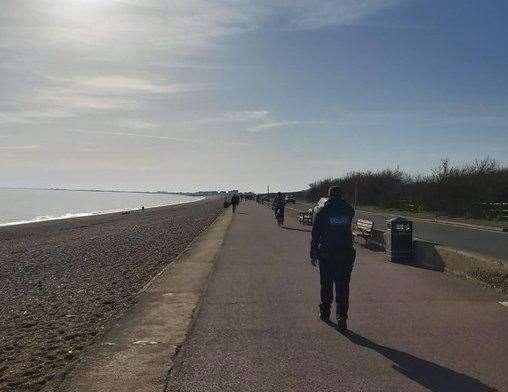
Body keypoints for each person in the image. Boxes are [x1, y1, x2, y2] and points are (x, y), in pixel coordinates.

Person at [310, 186, 355, 332]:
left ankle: (325, 313)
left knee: (326, 285)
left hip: (327, 253)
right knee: (343, 287)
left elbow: (315, 233)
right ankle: (342, 317)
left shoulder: (322, 210)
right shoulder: (348, 210)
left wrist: (313, 253)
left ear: (329, 196)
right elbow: (348, 212)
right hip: (345, 253)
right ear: (341, 195)